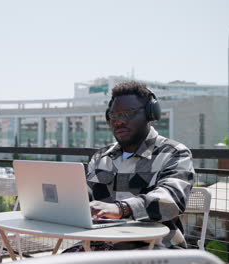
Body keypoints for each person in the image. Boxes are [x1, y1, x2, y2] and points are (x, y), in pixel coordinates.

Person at [64, 80, 194, 252]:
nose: (119, 121)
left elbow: (170, 200)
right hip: (101, 246)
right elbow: (84, 200)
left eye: (128, 113)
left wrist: (120, 208)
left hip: (155, 248)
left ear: (150, 114)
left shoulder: (174, 153)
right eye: (114, 115)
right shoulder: (100, 157)